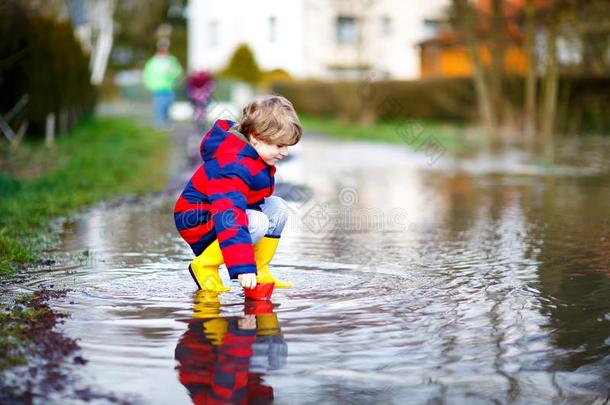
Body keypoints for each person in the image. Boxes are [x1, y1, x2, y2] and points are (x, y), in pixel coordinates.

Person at [173, 95, 302, 292]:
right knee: (257, 222)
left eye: (287, 146)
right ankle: (205, 265)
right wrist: (243, 267)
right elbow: (229, 215)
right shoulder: (232, 165)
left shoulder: (255, 153)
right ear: (256, 137)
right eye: (279, 146)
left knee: (278, 208)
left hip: (221, 213)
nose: (284, 152)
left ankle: (260, 271)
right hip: (198, 218)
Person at [142, 39, 183, 127]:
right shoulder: (152, 62)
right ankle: (159, 123)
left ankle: (166, 122)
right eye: (162, 47)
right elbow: (147, 75)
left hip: (169, 87)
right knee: (159, 107)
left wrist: (172, 73)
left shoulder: (171, 60)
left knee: (168, 107)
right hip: (157, 88)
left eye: (165, 47)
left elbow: (178, 71)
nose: (164, 49)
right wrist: (149, 85)